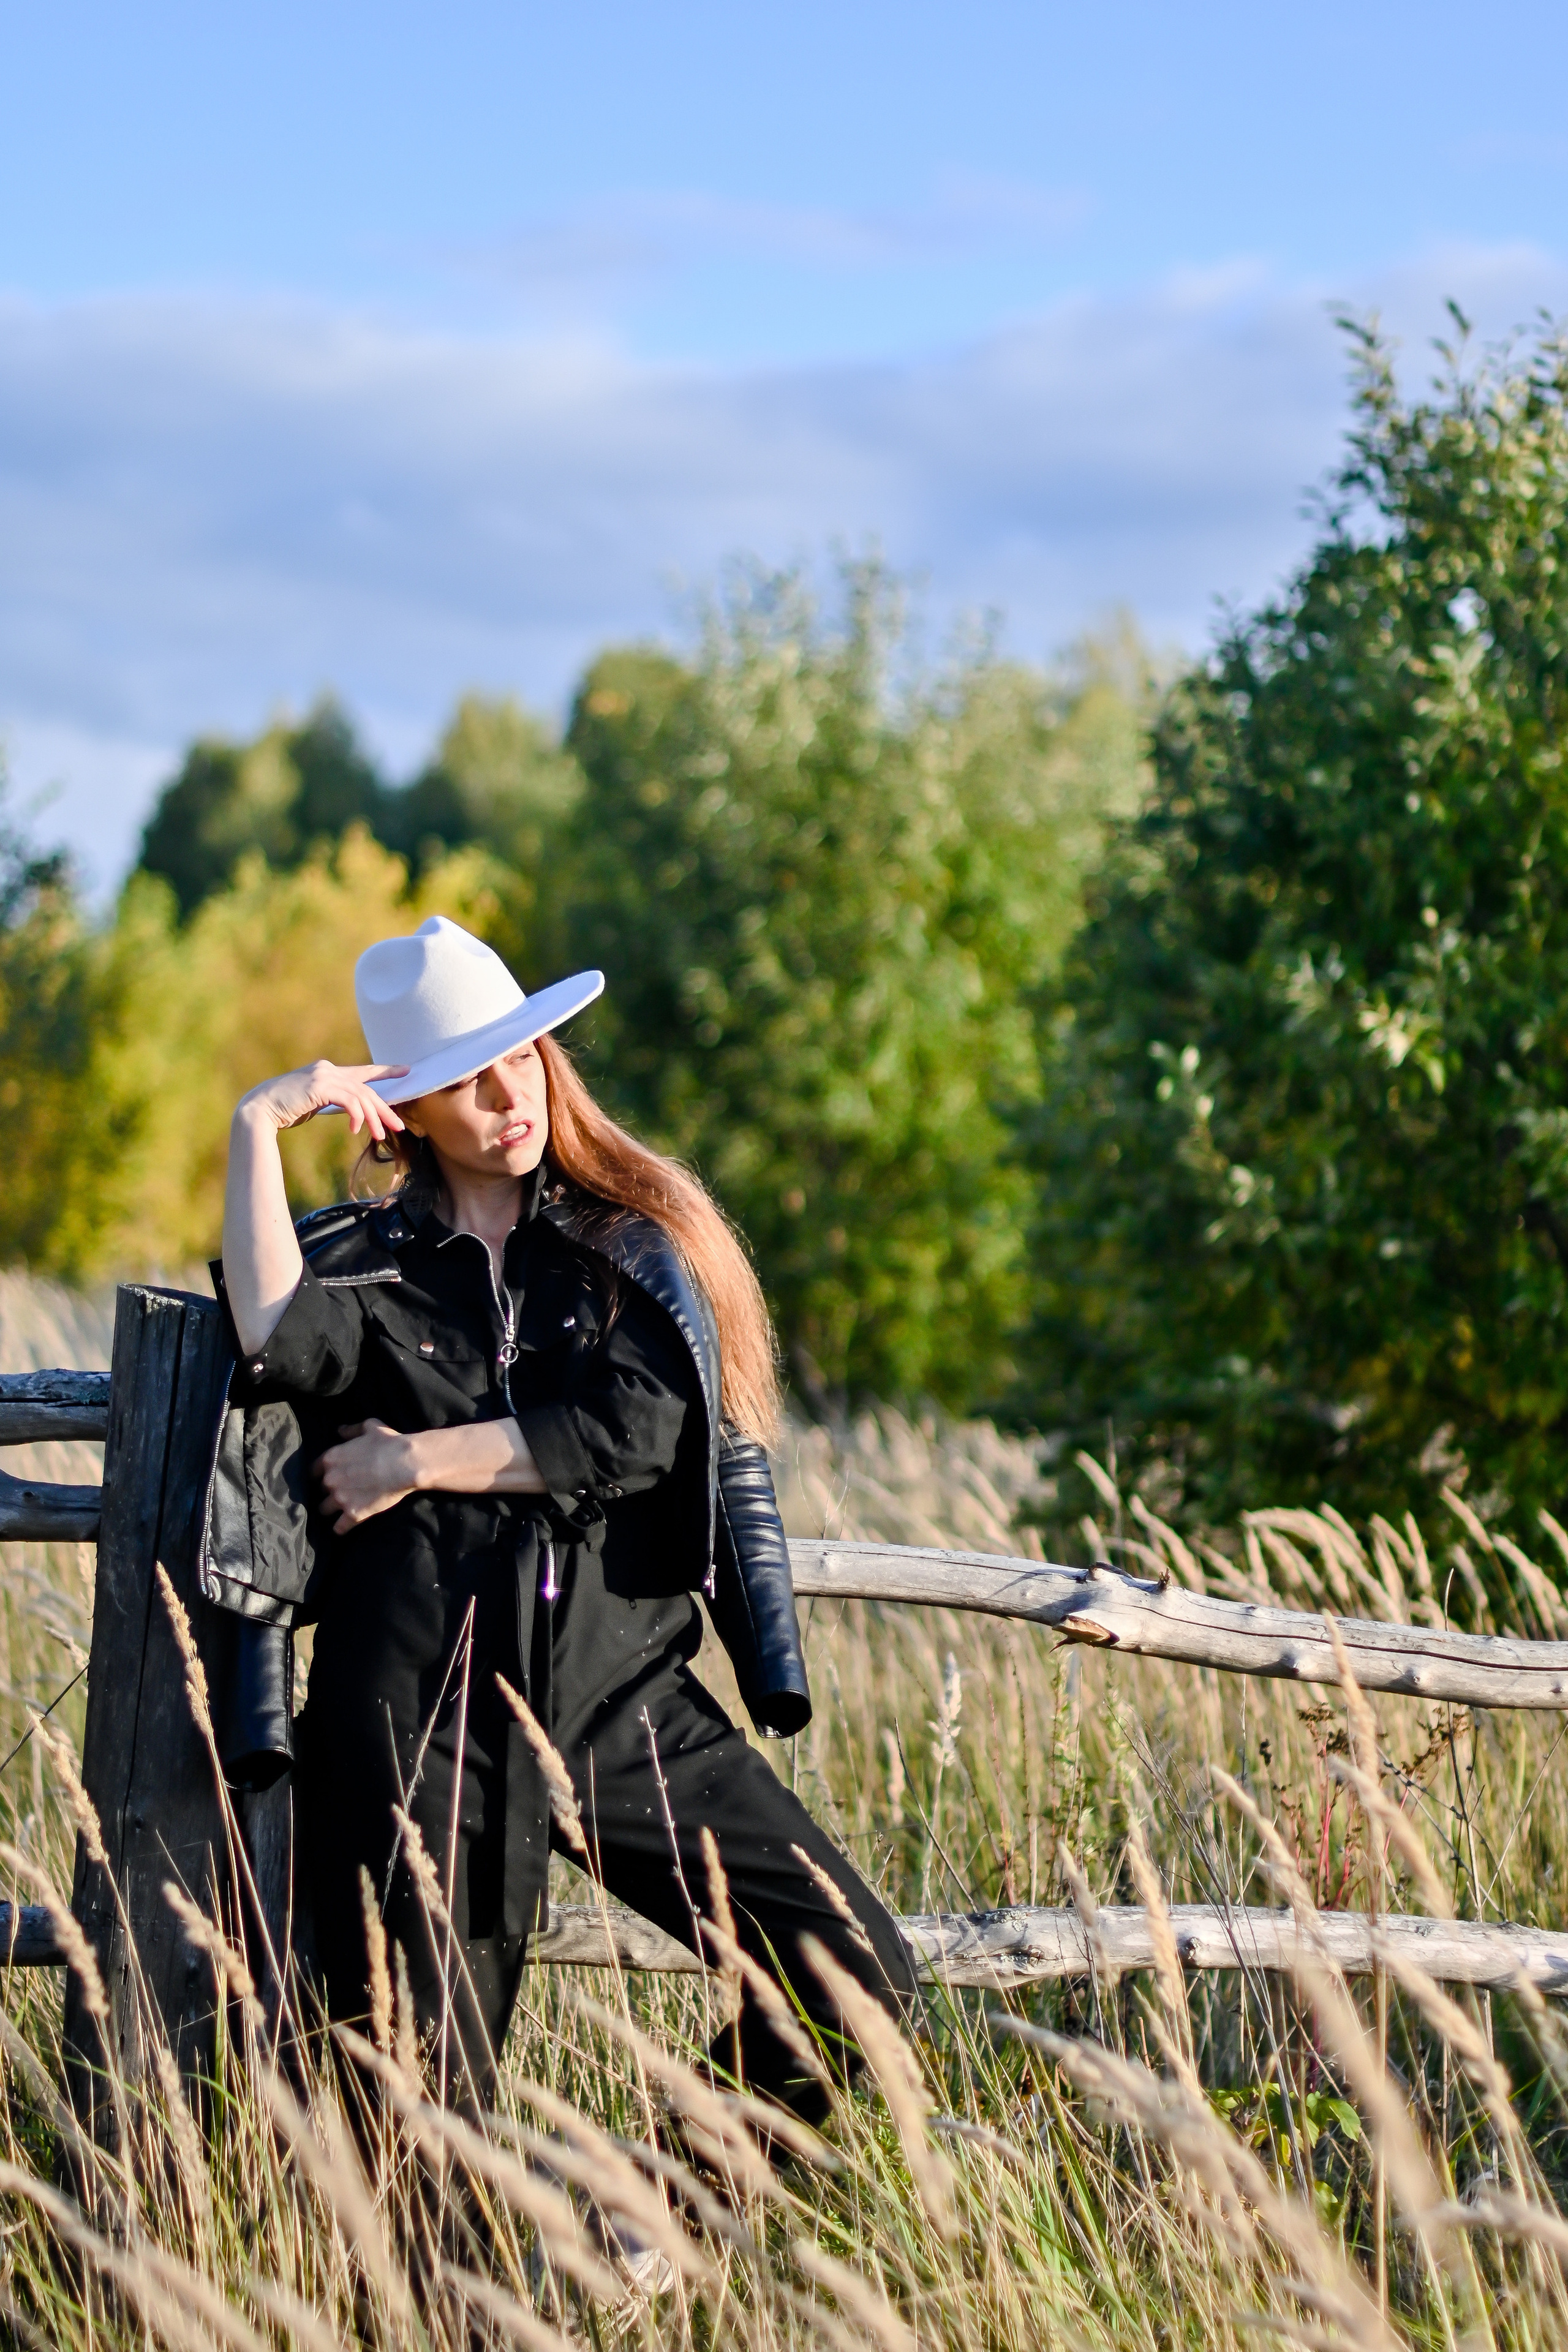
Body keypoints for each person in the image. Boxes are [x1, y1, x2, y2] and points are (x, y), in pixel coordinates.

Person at [219, 914, 915, 2115]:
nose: (510, 1099)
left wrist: (417, 1461)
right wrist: (255, 1125)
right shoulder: (369, 1268)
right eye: (469, 1083)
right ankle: (457, 2255)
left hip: (619, 1700)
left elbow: (641, 1429)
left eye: (521, 1061)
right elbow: (272, 1332)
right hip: (419, 1721)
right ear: (408, 1112)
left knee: (858, 1973)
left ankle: (645, 2209)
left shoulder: (619, 1249)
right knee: (419, 2111)